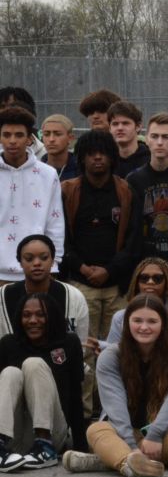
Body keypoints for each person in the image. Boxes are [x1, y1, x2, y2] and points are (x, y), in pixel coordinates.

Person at [62, 294, 168, 477]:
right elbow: (114, 403)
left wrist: (155, 434)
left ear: (164, 325)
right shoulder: (110, 356)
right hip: (121, 430)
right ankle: (131, 461)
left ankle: (109, 460)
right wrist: (131, 444)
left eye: (152, 321)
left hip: (165, 431)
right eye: (137, 321)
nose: (144, 327)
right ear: (126, 323)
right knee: (95, 430)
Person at [61, 130, 133, 415]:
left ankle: (113, 414)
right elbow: (60, 237)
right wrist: (81, 267)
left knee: (116, 352)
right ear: (82, 158)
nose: (98, 158)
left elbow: (133, 242)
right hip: (81, 286)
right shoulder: (68, 190)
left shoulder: (125, 191)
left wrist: (110, 270)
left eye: (103, 152)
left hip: (117, 286)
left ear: (112, 157)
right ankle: (83, 416)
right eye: (91, 153)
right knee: (84, 352)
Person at [0, 293, 87, 470]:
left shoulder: (69, 342)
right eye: (26, 315)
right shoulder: (8, 343)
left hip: (53, 431)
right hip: (15, 434)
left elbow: (75, 395)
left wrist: (81, 447)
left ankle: (44, 445)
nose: (33, 320)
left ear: (52, 316)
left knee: (33, 364)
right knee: (10, 373)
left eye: (40, 314)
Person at [124, 112, 168, 303]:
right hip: (144, 263)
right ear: (146, 139)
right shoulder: (134, 179)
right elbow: (131, 229)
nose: (160, 142)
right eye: (154, 136)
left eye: (166, 136)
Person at [0, 105, 64, 284]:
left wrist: (54, 264)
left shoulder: (47, 174)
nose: (12, 141)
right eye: (6, 135)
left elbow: (55, 222)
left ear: (29, 139)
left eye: (19, 135)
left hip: (36, 273)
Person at [105, 258, 168, 358]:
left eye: (157, 278)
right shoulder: (120, 318)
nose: (150, 282)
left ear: (167, 282)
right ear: (137, 282)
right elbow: (112, 355)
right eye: (144, 278)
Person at [0, 235, 88, 339]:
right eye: (29, 259)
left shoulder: (74, 296)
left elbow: (81, 343)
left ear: (52, 261)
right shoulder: (3, 296)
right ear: (20, 263)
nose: (37, 263)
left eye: (44, 257)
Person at [107, 101, 150, 177]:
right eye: (115, 124)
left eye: (125, 123)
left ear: (138, 126)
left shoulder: (151, 160)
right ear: (110, 128)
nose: (120, 128)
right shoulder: (105, 161)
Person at [39, 114, 78, 181]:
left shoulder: (82, 172)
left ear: (70, 138)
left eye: (58, 134)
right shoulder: (35, 170)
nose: (51, 139)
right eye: (46, 134)